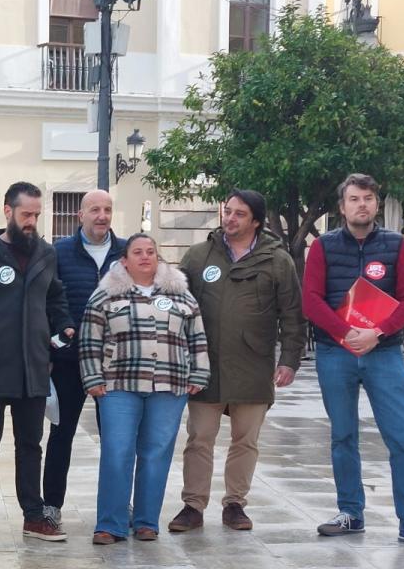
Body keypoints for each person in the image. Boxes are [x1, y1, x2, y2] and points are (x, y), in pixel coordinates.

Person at [302, 173, 404, 545]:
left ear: (377, 203)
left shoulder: (396, 245)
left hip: (384, 353)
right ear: (342, 207)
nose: (362, 205)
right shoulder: (323, 247)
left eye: (368, 198)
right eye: (354, 199)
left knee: (403, 437)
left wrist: (377, 333)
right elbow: (311, 300)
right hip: (335, 353)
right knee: (343, 436)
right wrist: (345, 334)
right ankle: (350, 513)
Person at [168, 190, 304, 533]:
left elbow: (292, 314)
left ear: (256, 221)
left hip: (254, 364)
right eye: (227, 211)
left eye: (239, 214)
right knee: (199, 437)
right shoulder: (199, 255)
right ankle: (193, 505)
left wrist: (289, 359)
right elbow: (177, 304)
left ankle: (235, 504)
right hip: (205, 365)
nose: (230, 218)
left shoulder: (278, 260)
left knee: (245, 440)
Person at [0, 182, 74, 545]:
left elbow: (55, 297)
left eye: (36, 215)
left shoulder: (46, 254)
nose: (31, 221)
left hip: (32, 367)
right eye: (26, 214)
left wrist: (63, 324)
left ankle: (34, 517)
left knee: (31, 446)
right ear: (8, 211)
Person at [80, 234, 210, 544]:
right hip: (118, 385)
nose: (145, 257)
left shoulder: (181, 295)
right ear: (124, 261)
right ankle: (110, 524)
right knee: (117, 452)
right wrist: (92, 378)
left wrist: (200, 372)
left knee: (156, 453)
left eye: (151, 251)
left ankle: (146, 521)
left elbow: (197, 337)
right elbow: (89, 339)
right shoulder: (105, 295)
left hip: (169, 384)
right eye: (137, 252)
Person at [42, 190, 124, 531]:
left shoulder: (126, 252)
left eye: (107, 209)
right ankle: (51, 505)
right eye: (94, 210)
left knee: (116, 439)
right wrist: (50, 349)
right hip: (68, 360)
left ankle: (118, 504)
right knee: (61, 434)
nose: (102, 216)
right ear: (80, 215)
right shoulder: (59, 252)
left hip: (115, 364)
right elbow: (46, 302)